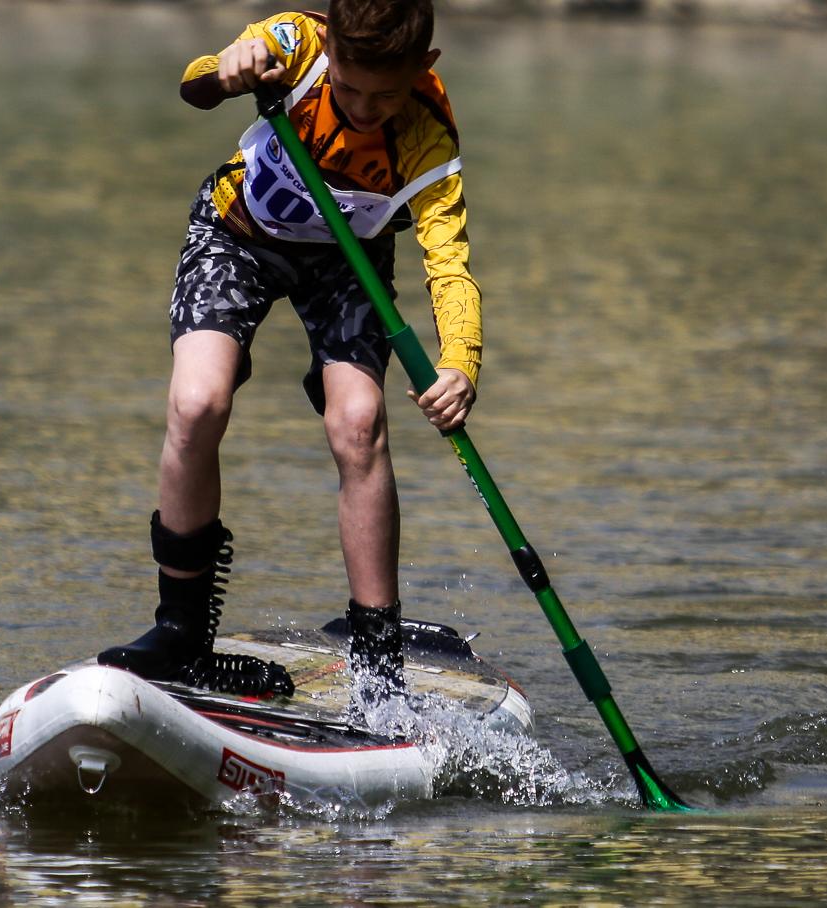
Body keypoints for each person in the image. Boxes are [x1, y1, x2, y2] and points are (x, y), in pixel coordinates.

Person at [96, 0, 482, 720]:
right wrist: (228, 68)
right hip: (234, 237)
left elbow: (450, 267)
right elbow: (197, 83)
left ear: (423, 71)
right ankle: (180, 631)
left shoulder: (428, 138)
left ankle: (377, 663)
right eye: (350, 88)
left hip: (348, 264)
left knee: (360, 423)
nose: (367, 111)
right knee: (195, 403)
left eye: (386, 95)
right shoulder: (294, 44)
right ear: (329, 49)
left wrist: (460, 362)